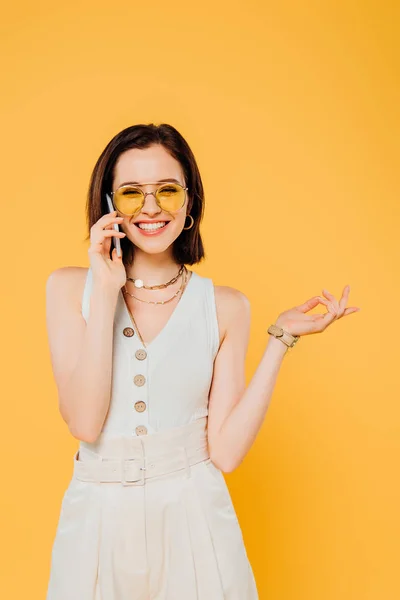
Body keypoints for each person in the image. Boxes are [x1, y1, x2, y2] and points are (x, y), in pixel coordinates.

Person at [45, 123, 360, 599]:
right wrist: (106, 287)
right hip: (97, 521)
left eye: (167, 191)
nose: (151, 209)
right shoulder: (70, 289)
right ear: (109, 206)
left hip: (193, 521)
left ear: (189, 202)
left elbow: (227, 453)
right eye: (131, 193)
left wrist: (281, 340)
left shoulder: (227, 307)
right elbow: (86, 423)